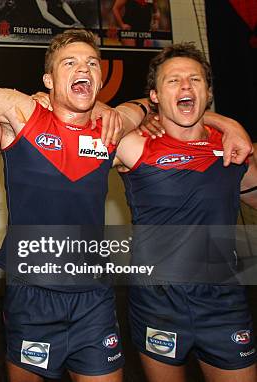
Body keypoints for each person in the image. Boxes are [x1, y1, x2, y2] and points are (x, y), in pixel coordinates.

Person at [0, 29, 253, 382]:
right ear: (49, 81)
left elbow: (159, 110)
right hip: (30, 293)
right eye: (69, 63)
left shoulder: (113, 127)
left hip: (94, 297)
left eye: (91, 63)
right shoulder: (21, 114)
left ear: (101, 81)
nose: (82, 68)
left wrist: (227, 124)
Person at [112, 42, 257, 382]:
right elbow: (106, 120)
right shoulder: (134, 144)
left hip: (224, 302)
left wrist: (228, 125)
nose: (186, 86)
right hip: (158, 302)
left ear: (208, 91)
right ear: (155, 95)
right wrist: (147, 114)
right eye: (172, 81)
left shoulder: (232, 149)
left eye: (195, 80)